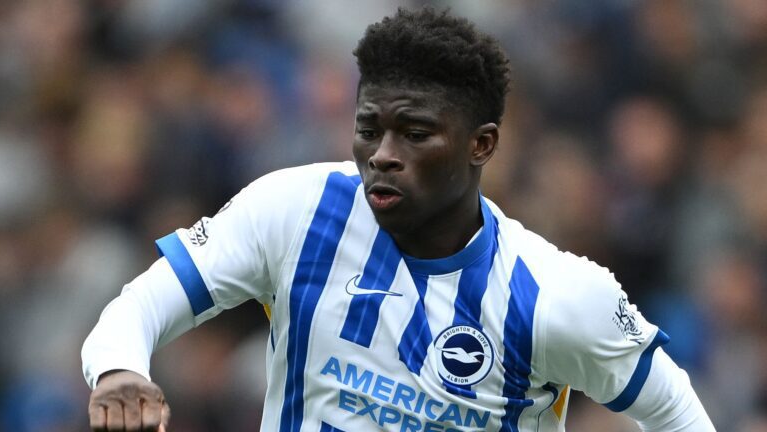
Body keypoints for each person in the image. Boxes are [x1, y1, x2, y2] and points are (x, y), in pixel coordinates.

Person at [82, 8, 715, 432]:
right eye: (369, 128)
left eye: (415, 133)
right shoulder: (294, 211)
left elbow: (676, 412)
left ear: (482, 144)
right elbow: (141, 305)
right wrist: (119, 368)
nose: (383, 154)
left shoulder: (555, 296)